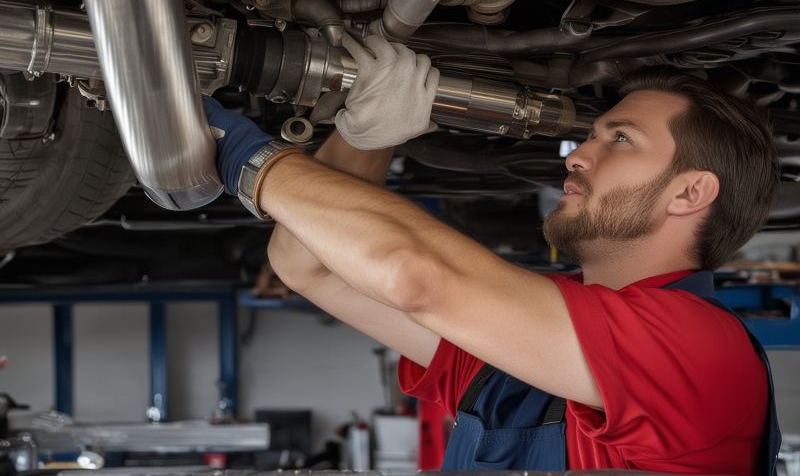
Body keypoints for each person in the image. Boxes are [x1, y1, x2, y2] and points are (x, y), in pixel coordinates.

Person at [202, 33, 782, 474]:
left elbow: (414, 276)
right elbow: (310, 263)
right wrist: (365, 136)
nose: (576, 156)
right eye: (593, 134)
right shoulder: (521, 349)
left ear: (690, 193)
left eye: (620, 139)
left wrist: (241, 153)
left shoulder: (702, 350)